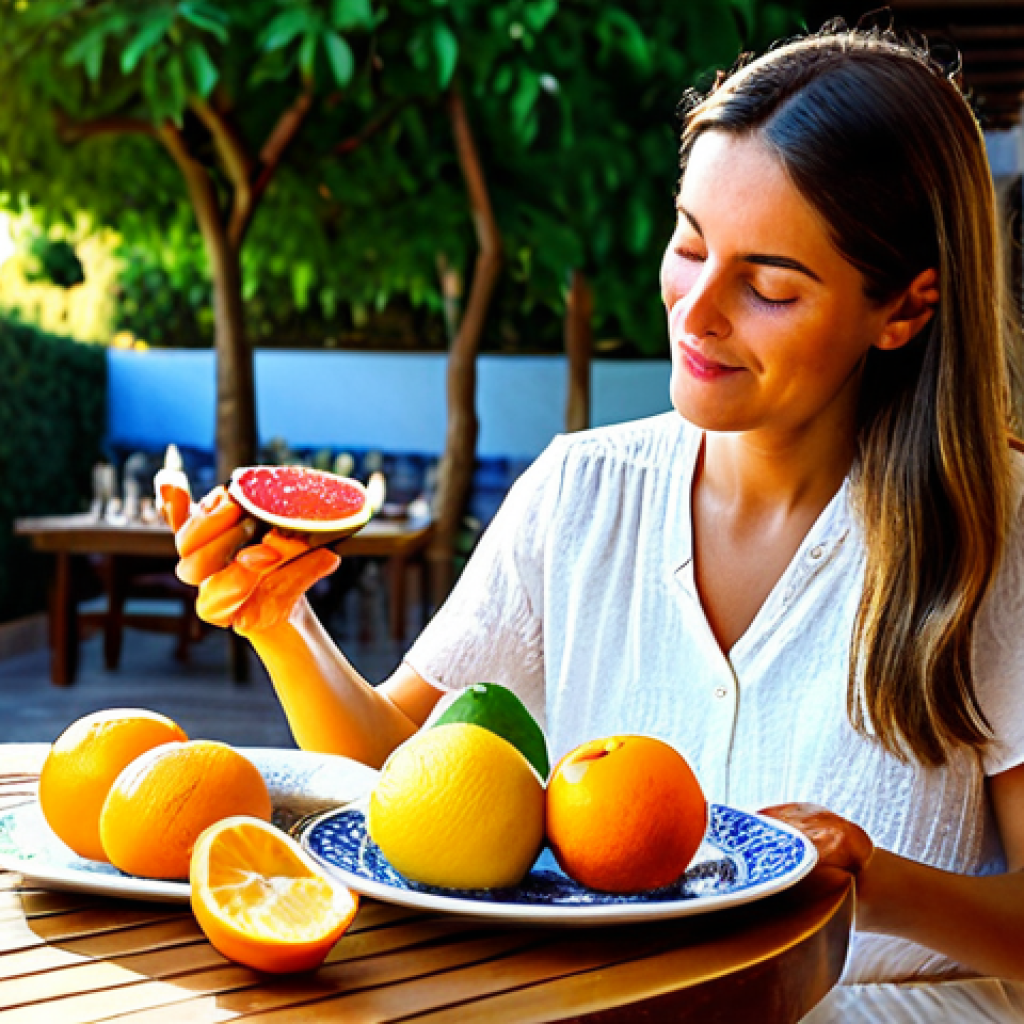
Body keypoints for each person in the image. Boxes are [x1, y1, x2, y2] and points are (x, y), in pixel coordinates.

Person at [163, 23, 1024, 1023]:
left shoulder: (999, 539)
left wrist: (872, 878)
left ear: (906, 309)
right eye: (690, 243)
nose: (694, 311)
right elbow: (385, 776)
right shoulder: (580, 493)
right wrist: (280, 618)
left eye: (769, 287)